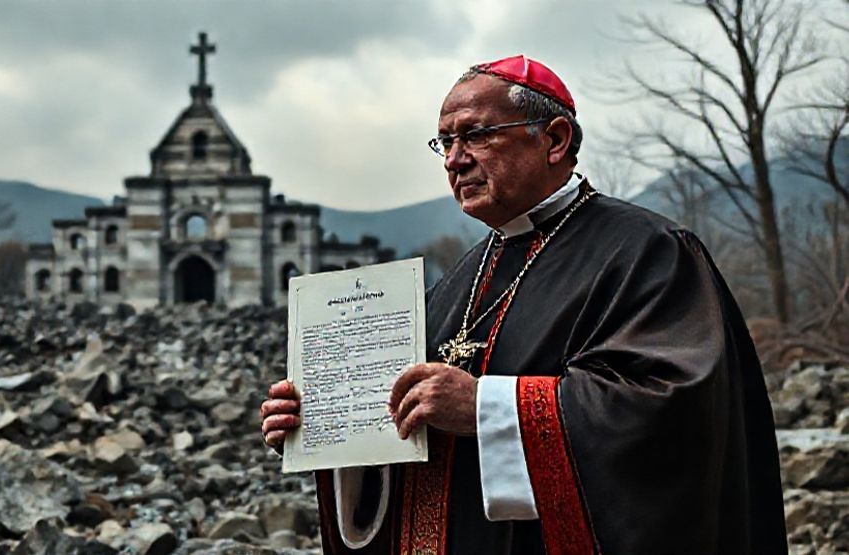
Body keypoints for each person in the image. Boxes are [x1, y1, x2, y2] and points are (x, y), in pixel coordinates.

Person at [260, 55, 786, 555]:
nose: (453, 159)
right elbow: (404, 429)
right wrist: (326, 428)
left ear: (553, 139)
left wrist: (487, 409)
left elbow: (675, 415)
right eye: (444, 141)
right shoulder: (457, 281)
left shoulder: (647, 252)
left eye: (474, 135)